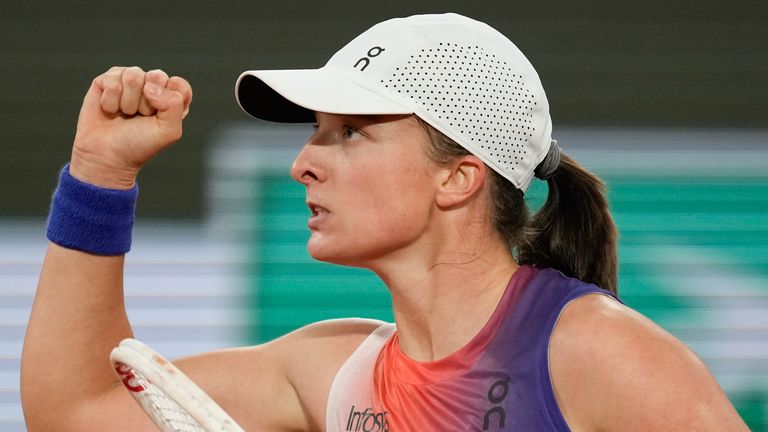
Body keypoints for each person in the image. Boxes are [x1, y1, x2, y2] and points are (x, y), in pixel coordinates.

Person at [21, 13, 747, 432]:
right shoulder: (331, 370)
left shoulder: (596, 351)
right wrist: (100, 174)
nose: (304, 161)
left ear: (457, 177)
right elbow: (76, 413)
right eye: (317, 130)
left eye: (351, 132)